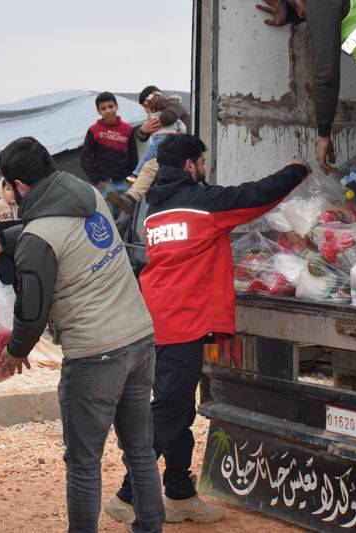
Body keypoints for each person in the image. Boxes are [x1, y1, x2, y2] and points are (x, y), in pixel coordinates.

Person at [105, 134, 310, 526]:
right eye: (202, 161)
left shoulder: (154, 209)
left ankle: (179, 493)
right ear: (189, 165)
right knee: (168, 411)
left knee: (178, 409)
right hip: (181, 323)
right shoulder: (203, 204)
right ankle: (127, 495)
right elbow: (255, 196)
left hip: (160, 319)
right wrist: (296, 171)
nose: (205, 168)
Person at [0, 137, 165, 533]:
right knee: (140, 452)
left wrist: (15, 351)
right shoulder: (87, 195)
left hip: (94, 356)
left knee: (83, 463)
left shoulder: (39, 238)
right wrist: (3, 239)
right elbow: (54, 227)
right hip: (139, 339)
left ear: (20, 186)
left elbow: (32, 312)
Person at [256, 0, 356, 174]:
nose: (302, 14)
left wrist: (324, 134)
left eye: (294, 5)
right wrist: (292, 15)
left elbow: (326, 75)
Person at [107, 86, 191, 215]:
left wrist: (155, 121)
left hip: (181, 149)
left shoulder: (173, 104)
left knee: (150, 165)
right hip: (170, 151)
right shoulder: (157, 112)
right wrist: (143, 130)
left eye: (146, 105)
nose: (147, 110)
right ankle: (131, 199)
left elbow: (169, 116)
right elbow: (143, 137)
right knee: (150, 167)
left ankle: (132, 196)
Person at [80, 91, 139, 218]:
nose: (108, 111)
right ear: (98, 111)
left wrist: (131, 178)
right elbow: (85, 158)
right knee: (108, 219)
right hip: (106, 185)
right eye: (103, 108)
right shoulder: (93, 130)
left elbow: (134, 156)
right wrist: (97, 180)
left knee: (126, 220)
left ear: (116, 106)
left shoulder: (127, 129)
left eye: (111, 106)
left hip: (125, 184)